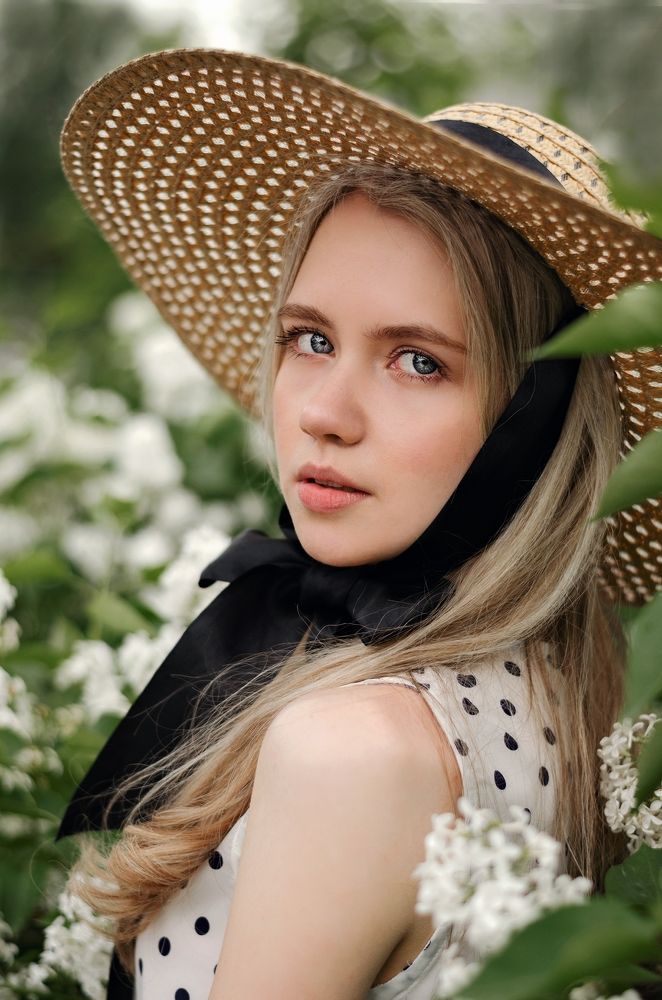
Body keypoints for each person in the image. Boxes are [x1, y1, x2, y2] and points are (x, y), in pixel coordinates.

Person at [54, 49, 662, 1000]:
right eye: (312, 339)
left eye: (418, 361)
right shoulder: (568, 696)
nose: (325, 411)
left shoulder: (353, 751)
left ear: (532, 423)